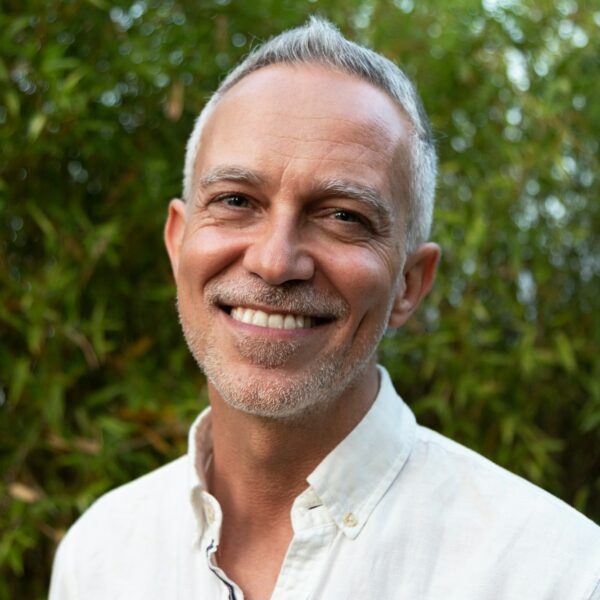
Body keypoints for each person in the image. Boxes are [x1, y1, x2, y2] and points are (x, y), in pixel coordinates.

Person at [49, 17, 600, 600]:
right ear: (178, 242)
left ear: (410, 284)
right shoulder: (100, 557)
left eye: (343, 216)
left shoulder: (554, 573)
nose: (275, 260)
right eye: (236, 201)